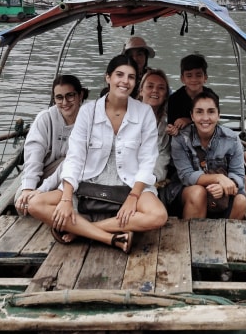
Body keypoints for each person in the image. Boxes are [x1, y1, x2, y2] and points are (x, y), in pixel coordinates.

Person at [27, 54, 167, 253]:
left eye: (131, 77)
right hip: (88, 182)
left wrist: (133, 196)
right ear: (108, 77)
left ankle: (82, 230)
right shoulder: (88, 111)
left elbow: (147, 161)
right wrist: (66, 199)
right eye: (119, 75)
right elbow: (75, 156)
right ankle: (110, 238)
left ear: (135, 82)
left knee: (158, 216)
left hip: (128, 184)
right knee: (35, 204)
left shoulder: (144, 113)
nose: (125, 81)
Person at [166, 53, 246, 195]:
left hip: (211, 147)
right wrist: (173, 128)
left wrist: (189, 121)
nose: (194, 80)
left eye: (198, 75)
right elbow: (172, 127)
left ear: (205, 77)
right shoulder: (175, 99)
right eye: (189, 76)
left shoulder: (211, 96)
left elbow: (211, 124)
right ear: (183, 78)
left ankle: (240, 196)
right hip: (186, 148)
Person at [15, 76, 89, 213]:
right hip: (45, 173)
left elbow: (73, 161)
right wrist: (28, 189)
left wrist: (44, 190)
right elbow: (34, 155)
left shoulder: (88, 119)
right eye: (59, 98)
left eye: (70, 96)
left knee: (72, 202)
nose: (65, 102)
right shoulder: (45, 118)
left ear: (80, 95)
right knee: (22, 202)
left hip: (73, 178)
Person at [171, 90, 246, 220]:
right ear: (192, 116)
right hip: (187, 194)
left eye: (211, 111)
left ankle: (224, 237)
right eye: (199, 112)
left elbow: (239, 175)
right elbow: (186, 176)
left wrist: (224, 186)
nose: (205, 118)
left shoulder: (232, 139)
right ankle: (192, 236)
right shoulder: (180, 139)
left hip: (221, 196)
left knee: (241, 201)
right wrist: (217, 178)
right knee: (198, 193)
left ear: (218, 115)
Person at [136, 67, 171, 184]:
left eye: (161, 88)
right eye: (150, 86)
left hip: (150, 180)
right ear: (141, 91)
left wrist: (152, 177)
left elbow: (163, 158)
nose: (155, 91)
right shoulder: (126, 117)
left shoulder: (165, 127)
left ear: (166, 95)